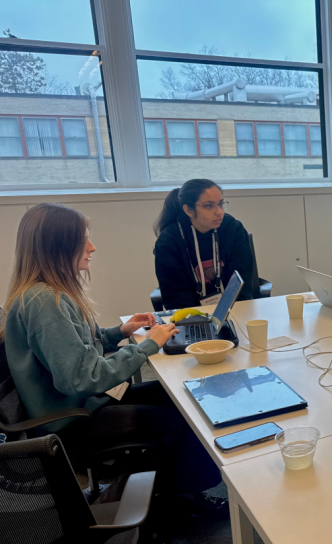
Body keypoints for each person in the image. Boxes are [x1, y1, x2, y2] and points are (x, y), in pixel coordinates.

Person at [1, 203, 222, 500]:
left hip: (79, 405)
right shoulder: (45, 304)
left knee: (180, 395)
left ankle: (168, 487)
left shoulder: (46, 294)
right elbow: (81, 377)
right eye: (83, 241)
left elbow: (74, 349)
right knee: (184, 423)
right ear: (58, 246)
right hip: (73, 422)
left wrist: (120, 332)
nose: (92, 247)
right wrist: (147, 345)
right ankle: (173, 500)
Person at [154, 179, 254, 310]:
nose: (219, 212)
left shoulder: (233, 229)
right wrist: (199, 321)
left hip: (235, 310)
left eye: (221, 204)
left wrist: (237, 314)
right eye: (209, 206)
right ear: (189, 210)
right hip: (192, 316)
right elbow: (175, 296)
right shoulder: (169, 240)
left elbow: (242, 282)